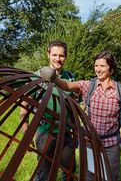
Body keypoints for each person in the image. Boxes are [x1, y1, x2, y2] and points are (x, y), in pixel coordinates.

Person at [40, 51, 121, 181]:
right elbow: (67, 85)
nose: (98, 70)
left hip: (111, 145)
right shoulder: (89, 86)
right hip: (90, 143)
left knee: (110, 177)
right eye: (96, 66)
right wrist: (54, 78)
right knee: (90, 177)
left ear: (111, 69)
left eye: (102, 66)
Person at [19, 40, 76, 181]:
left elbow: (72, 106)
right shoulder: (36, 77)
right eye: (54, 55)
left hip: (66, 132)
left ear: (66, 57)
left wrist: (75, 131)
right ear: (48, 54)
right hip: (45, 132)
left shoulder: (70, 77)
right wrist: (26, 131)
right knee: (45, 173)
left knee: (69, 171)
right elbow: (25, 105)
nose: (58, 59)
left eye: (61, 56)